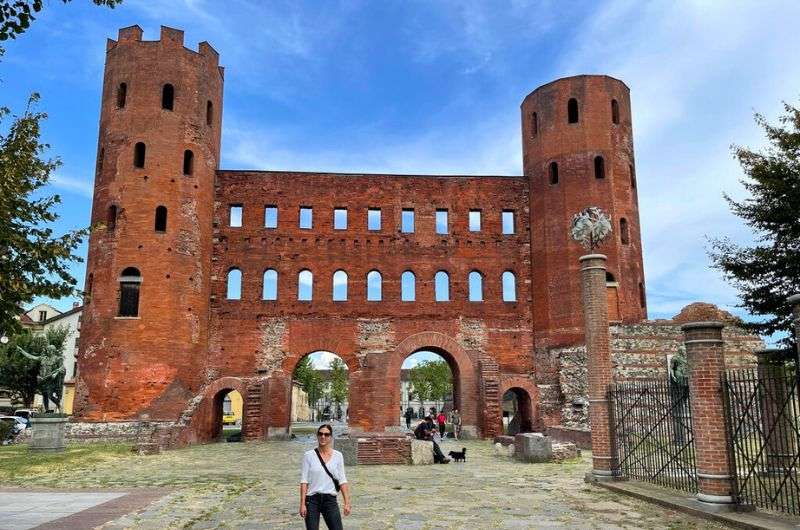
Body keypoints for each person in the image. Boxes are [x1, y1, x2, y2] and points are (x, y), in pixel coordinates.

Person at [300, 424, 351, 530]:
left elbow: (342, 480)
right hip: (312, 500)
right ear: (317, 436)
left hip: (330, 500)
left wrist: (347, 502)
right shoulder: (308, 455)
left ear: (331, 437)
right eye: (320, 434)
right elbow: (304, 481)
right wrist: (302, 504)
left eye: (326, 434)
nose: (323, 437)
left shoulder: (338, 456)